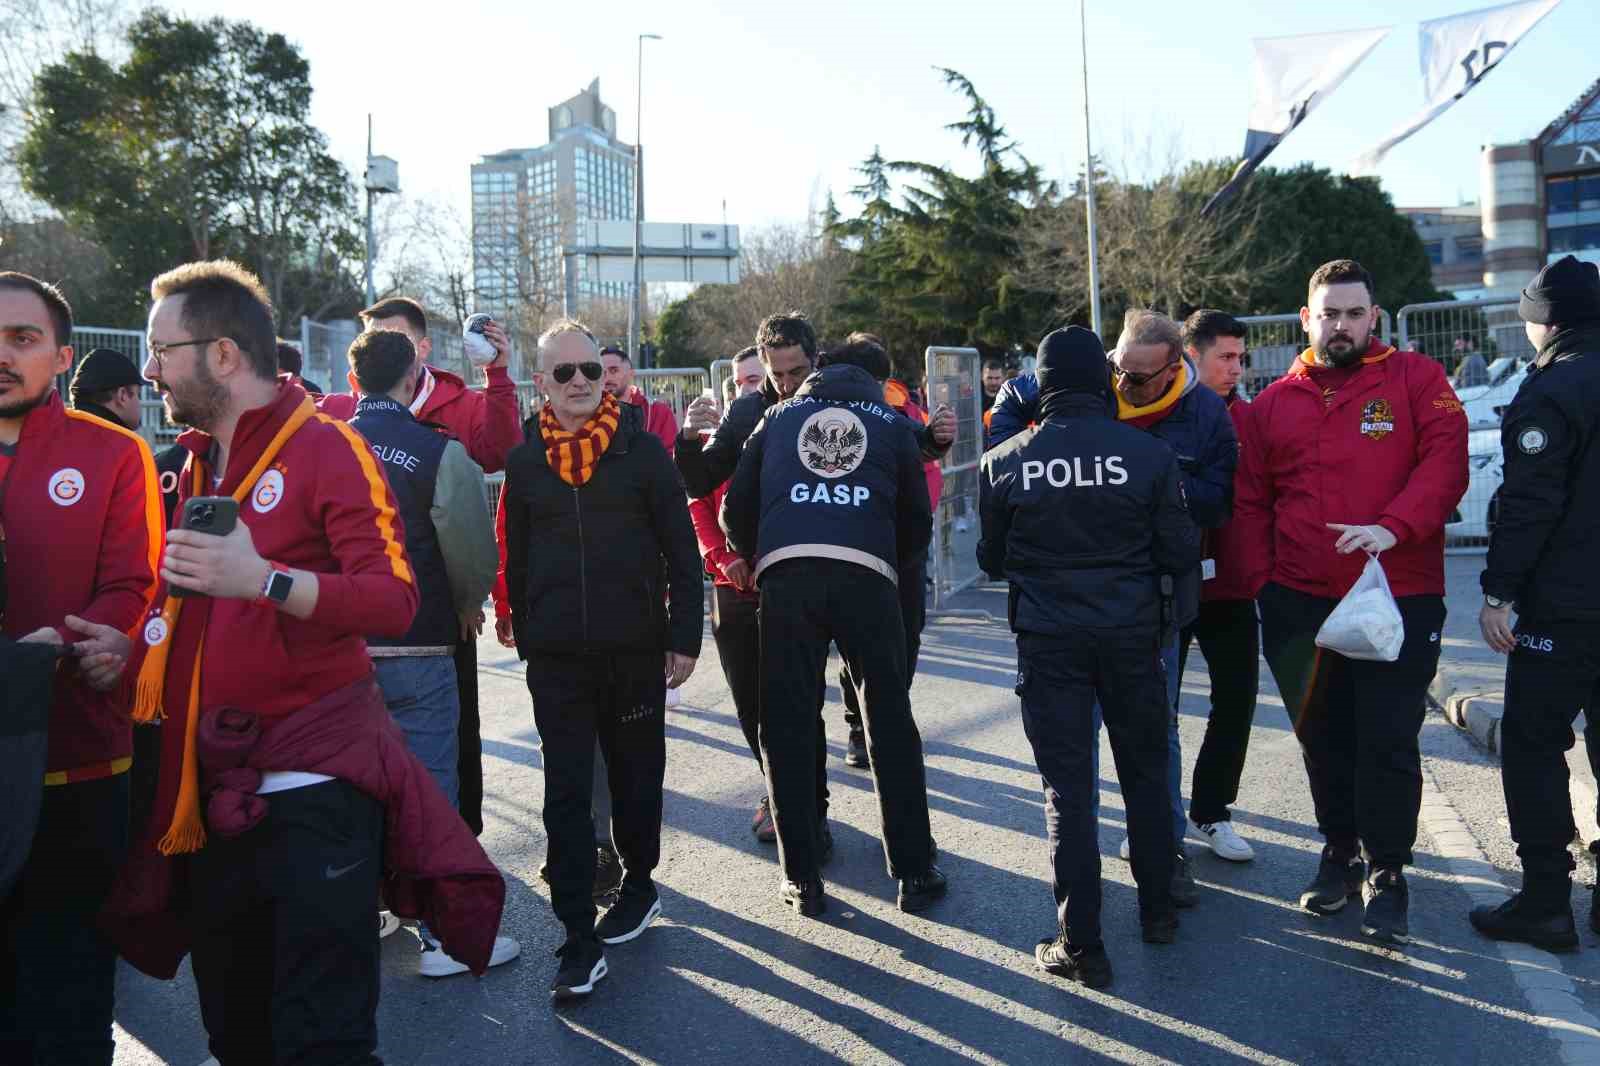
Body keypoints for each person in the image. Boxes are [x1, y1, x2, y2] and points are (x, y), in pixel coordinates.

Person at [124, 260, 501, 1062]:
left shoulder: (330, 449)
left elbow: (391, 599)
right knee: (236, 1034)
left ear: (223, 355)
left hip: (313, 804)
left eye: (163, 350)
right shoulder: (196, 462)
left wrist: (263, 579)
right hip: (215, 794)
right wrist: (123, 649)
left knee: (321, 1041)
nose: (150, 369)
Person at [1234, 258, 1467, 944]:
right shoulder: (1274, 402)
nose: (1342, 325)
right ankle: (1339, 851)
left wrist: (1392, 527)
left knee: (1388, 740)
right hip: (1300, 603)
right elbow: (1250, 501)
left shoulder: (1418, 382)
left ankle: (1388, 870)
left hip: (1401, 596)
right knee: (1322, 740)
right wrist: (1263, 586)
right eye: (1329, 314)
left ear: (1375, 317)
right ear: (1306, 319)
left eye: (1355, 313)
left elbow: (1446, 467)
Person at [988, 310, 1238, 903]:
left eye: (1140, 376)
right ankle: (1151, 908)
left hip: (1095, 626)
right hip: (1123, 623)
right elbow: (1179, 544)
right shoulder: (1129, 438)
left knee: (1101, 775)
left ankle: (1098, 922)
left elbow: (995, 557)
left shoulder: (1203, 415)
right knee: (1122, 771)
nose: (1124, 385)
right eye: (1117, 372)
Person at [502, 320, 702, 1001]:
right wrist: (526, 633)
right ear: (543, 385)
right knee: (564, 795)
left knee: (636, 782)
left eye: (590, 369)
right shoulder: (526, 461)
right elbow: (516, 555)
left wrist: (684, 637)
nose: (582, 381)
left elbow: (682, 551)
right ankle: (576, 939)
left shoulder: (644, 454)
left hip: (635, 651)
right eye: (565, 374)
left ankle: (640, 884)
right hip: (557, 659)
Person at [721, 337, 944, 919]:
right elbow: (916, 517)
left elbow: (734, 508)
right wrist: (885, 562)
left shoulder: (776, 416)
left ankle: (801, 876)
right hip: (868, 578)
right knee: (888, 722)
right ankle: (914, 871)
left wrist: (760, 554)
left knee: (788, 724)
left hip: (788, 578)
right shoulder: (892, 423)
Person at [0, 271, 160, 1065]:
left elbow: (136, 580)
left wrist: (115, 638)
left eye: (22, 339)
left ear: (62, 357)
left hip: (80, 762)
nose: (2, 355)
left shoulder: (116, 453)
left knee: (68, 989)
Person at [345, 329, 517, 977]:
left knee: (348, 789)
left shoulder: (321, 444)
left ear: (352, 378)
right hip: (418, 640)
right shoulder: (436, 452)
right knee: (429, 791)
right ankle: (446, 938)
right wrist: (468, 604)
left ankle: (357, 910)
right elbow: (471, 554)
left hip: (338, 648)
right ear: (416, 377)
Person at [1469, 255, 1600, 951]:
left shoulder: (1553, 389)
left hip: (1568, 608)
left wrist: (1498, 593)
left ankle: (1547, 899)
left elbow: (1528, 505)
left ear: (1544, 322)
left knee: (1532, 742)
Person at [675, 311, 956, 500]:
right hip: (772, 560)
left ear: (816, 359)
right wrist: (688, 438)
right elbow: (699, 484)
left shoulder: (848, 393)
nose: (787, 385)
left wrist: (936, 436)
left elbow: (908, 441)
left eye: (797, 372)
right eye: (776, 376)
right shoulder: (745, 413)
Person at [1175, 309, 1259, 863]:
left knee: (1235, 700)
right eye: (1225, 358)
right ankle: (1154, 815)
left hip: (1231, 586)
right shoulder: (1158, 416)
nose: (1236, 368)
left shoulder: (1253, 418)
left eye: (1240, 358)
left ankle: (1212, 812)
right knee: (1154, 709)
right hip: (1167, 585)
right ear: (1192, 357)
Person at [838, 333, 942, 771]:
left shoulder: (907, 413)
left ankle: (890, 712)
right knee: (856, 645)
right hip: (860, 548)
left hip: (903, 551)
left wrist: (914, 534)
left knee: (906, 638)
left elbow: (930, 475)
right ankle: (860, 727)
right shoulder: (835, 414)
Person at [601, 344, 678, 456]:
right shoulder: (589, 412)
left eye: (614, 371)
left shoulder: (658, 412)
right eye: (602, 373)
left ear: (631, 374)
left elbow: (671, 457)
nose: (607, 378)